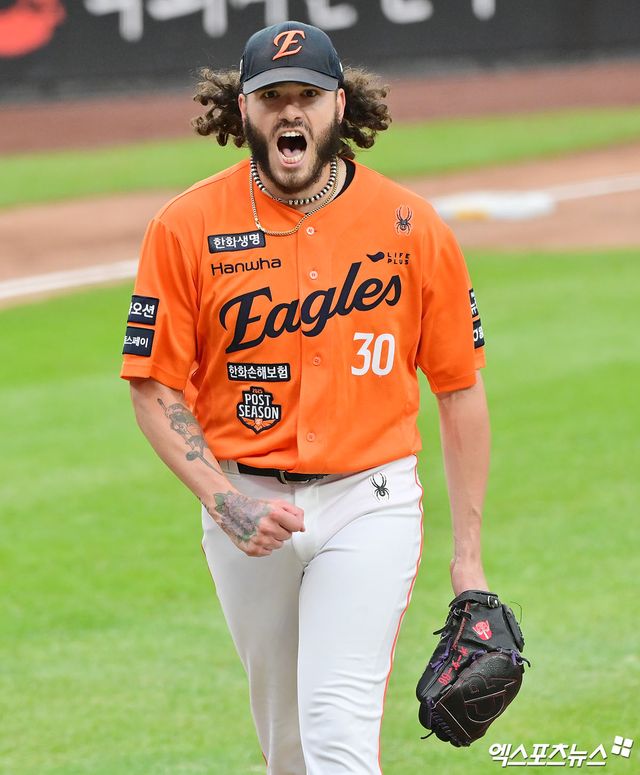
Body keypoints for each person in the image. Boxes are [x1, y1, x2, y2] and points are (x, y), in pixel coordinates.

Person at [121, 20, 489, 775]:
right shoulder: (186, 227)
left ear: (339, 106)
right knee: (288, 748)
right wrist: (225, 500)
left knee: (336, 736)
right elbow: (154, 384)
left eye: (308, 96)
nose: (291, 112)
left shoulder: (412, 227)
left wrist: (469, 561)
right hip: (245, 506)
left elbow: (458, 389)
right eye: (272, 97)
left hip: (370, 502)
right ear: (244, 110)